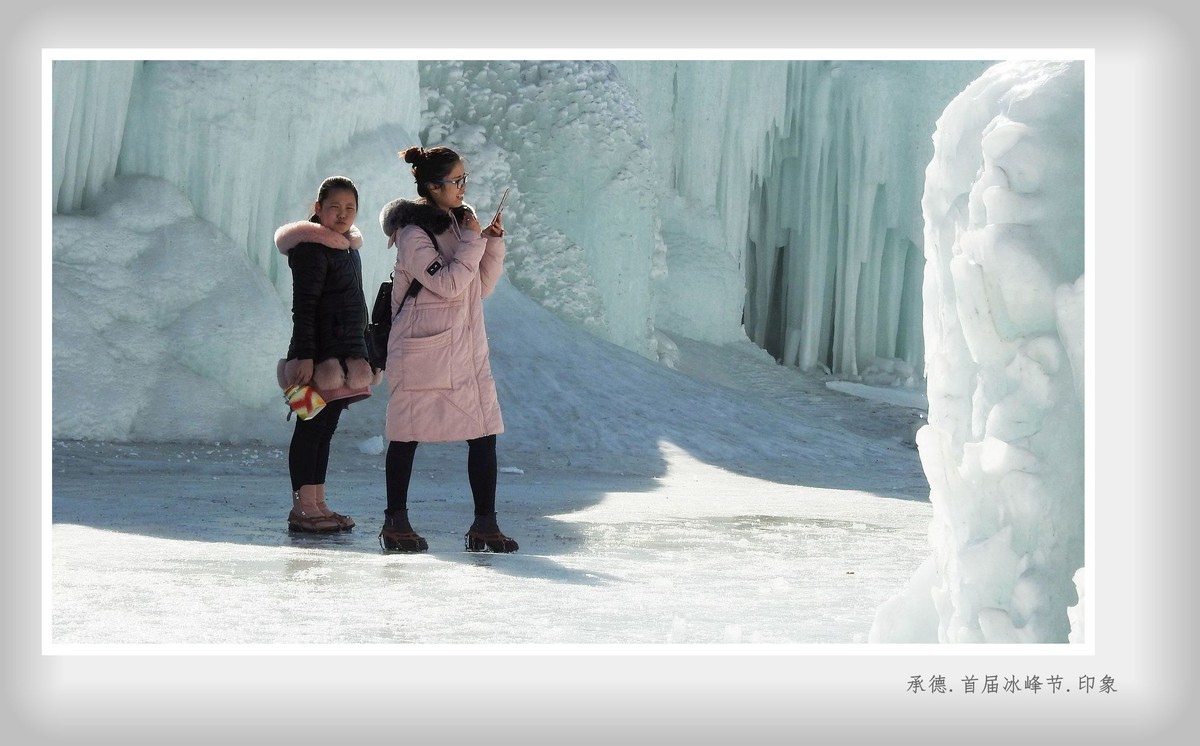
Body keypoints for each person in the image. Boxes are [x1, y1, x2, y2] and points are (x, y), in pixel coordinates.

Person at [376, 146, 518, 553]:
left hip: (464, 349)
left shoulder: (458, 226)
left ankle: (485, 523)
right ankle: (395, 521)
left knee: (484, 433)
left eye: (463, 181)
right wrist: (474, 239)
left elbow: (478, 287)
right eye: (456, 182)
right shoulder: (411, 234)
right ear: (432, 187)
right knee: (407, 434)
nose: (462, 188)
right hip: (423, 350)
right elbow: (451, 283)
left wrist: (490, 244)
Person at [275, 175, 375, 533]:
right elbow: (304, 307)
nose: (342, 214)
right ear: (318, 209)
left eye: (350, 208)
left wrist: (365, 352)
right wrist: (302, 356)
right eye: (334, 206)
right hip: (313, 360)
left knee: (325, 428)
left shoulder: (347, 248)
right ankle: (303, 508)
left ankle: (317, 503)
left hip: (341, 357)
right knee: (309, 428)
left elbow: (354, 306)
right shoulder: (311, 248)